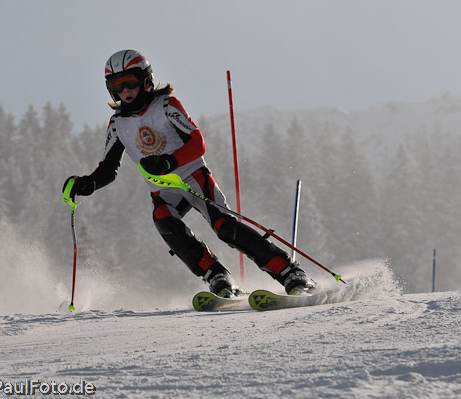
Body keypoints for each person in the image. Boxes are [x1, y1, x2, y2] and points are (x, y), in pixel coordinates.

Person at [64, 50, 315, 297]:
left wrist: (168, 163)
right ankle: (216, 275)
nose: (125, 91)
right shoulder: (118, 124)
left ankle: (288, 271)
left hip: (194, 178)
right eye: (117, 85)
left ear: (146, 80)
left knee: (224, 227)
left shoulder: (165, 105)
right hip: (163, 191)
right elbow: (108, 169)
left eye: (129, 82)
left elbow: (197, 143)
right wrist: (86, 184)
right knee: (163, 218)